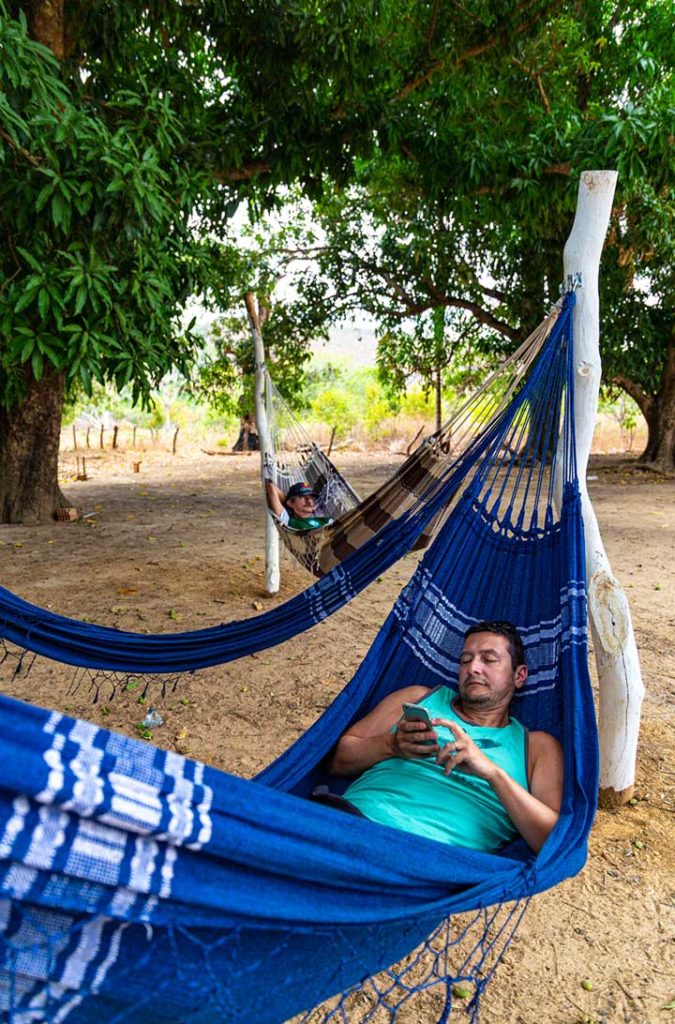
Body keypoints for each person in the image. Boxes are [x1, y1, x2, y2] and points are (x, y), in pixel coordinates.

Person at [324, 621, 563, 854]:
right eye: (465, 660)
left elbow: (553, 841)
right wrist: (390, 745)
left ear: (519, 676)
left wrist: (492, 773)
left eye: (488, 660)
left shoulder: (536, 748)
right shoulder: (418, 698)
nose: (473, 668)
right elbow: (337, 760)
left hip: (434, 858)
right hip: (352, 821)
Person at [266, 480, 333, 531]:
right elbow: (271, 487)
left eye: (311, 498)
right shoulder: (288, 521)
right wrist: (287, 503)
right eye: (303, 497)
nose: (309, 502)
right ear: (291, 502)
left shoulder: (326, 520)